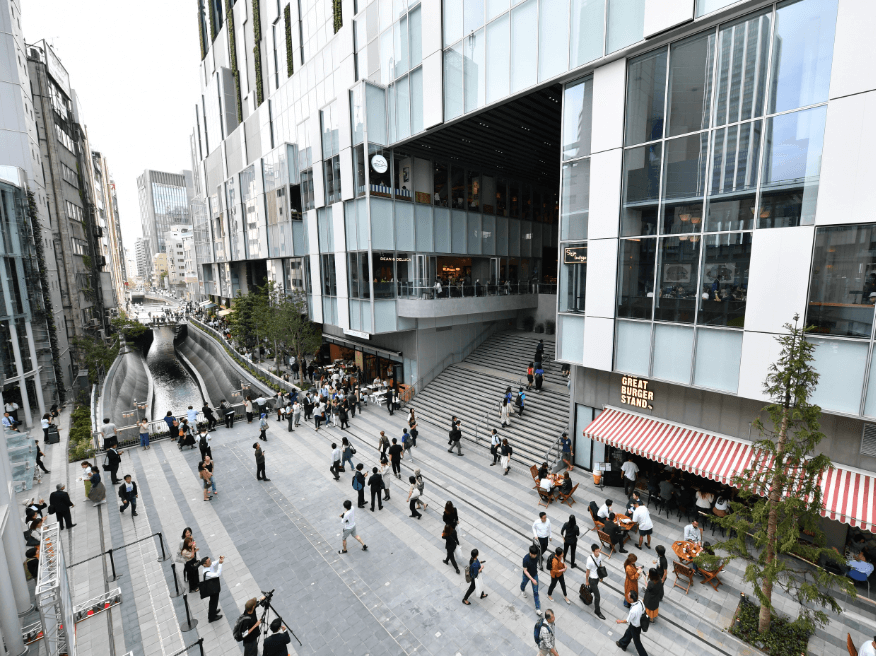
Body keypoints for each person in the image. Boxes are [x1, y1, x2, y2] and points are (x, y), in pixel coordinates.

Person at [616, 591, 649, 656]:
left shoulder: (633, 610)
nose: (627, 595)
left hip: (635, 626)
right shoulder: (640, 601)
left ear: (631, 599)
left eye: (629, 595)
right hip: (637, 624)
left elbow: (627, 620)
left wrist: (619, 621)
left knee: (637, 643)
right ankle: (622, 644)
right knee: (628, 632)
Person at [200, 555, 225, 622]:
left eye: (210, 560)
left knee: (213, 601)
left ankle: (213, 611)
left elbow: (213, 563)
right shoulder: (207, 573)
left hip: (212, 587)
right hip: (212, 589)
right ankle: (212, 617)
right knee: (213, 602)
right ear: (204, 564)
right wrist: (220, 564)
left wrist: (218, 560)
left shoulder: (208, 566)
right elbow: (217, 574)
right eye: (209, 561)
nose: (210, 562)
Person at [585, 544, 606, 620]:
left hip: (597, 577)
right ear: (593, 551)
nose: (598, 552)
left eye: (599, 550)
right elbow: (587, 572)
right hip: (592, 579)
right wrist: (587, 581)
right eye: (596, 551)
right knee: (597, 596)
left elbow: (600, 564)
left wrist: (601, 576)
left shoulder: (600, 555)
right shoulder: (589, 560)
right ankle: (597, 611)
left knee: (592, 589)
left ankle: (585, 593)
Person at [520, 544, 542, 616]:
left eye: (536, 554)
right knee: (524, 583)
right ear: (530, 553)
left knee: (536, 592)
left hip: (535, 574)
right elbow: (525, 571)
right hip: (527, 575)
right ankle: (522, 589)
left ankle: (538, 609)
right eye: (534, 555)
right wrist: (532, 579)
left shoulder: (536, 556)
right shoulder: (526, 559)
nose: (535, 556)